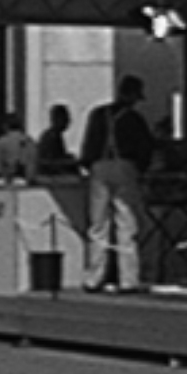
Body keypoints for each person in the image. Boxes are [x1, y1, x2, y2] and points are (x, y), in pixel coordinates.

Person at [79, 75, 155, 293]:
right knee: (126, 222)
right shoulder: (134, 119)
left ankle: (94, 277)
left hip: (99, 165)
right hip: (124, 165)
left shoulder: (98, 114)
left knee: (97, 225)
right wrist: (142, 169)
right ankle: (128, 279)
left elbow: (88, 145)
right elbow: (145, 148)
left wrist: (89, 165)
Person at [0, 112, 37, 182]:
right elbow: (33, 162)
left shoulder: (2, 141)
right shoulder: (29, 141)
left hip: (9, 179)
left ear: (5, 126)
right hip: (27, 179)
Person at [36, 104, 79, 177]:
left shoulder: (55, 135)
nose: (68, 121)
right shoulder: (51, 137)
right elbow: (52, 162)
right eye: (65, 118)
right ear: (55, 119)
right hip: (51, 176)